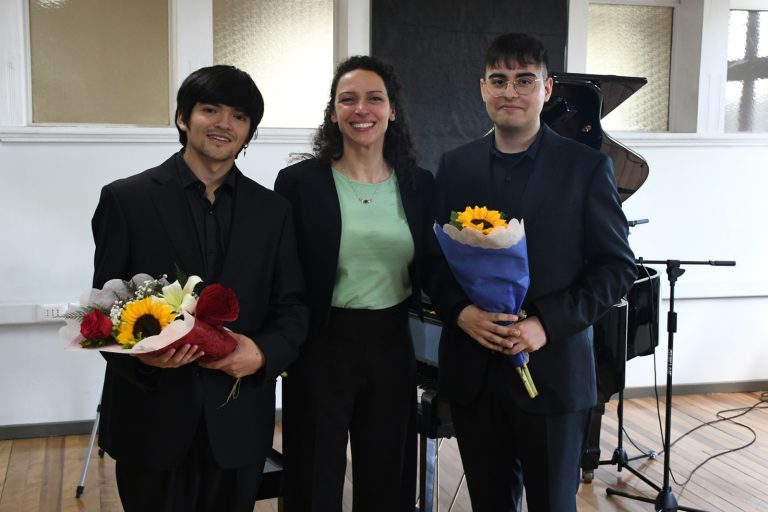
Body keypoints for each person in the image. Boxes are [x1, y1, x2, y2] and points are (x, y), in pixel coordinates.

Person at [429, 33, 637, 511]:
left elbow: (615, 267)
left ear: (546, 89)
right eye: (499, 80)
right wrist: (460, 313)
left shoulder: (586, 167)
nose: (511, 91)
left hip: (555, 372)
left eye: (524, 80)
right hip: (475, 374)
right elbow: (433, 261)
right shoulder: (455, 165)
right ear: (483, 89)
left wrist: (546, 323)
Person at [91, 65, 308, 512]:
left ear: (249, 132)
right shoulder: (126, 200)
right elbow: (104, 309)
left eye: (239, 116)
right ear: (182, 118)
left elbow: (292, 306)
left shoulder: (274, 211)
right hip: (151, 419)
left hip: (238, 421)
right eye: (210, 110)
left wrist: (263, 354)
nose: (224, 124)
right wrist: (141, 357)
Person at [274, 55, 434, 511]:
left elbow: (435, 266)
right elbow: (281, 272)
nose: (361, 109)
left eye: (374, 98)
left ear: (392, 111)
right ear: (333, 113)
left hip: (392, 345)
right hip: (320, 345)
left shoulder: (420, 184)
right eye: (348, 99)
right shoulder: (299, 183)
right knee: (313, 477)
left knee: (387, 477)